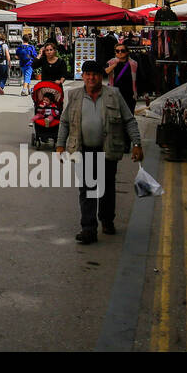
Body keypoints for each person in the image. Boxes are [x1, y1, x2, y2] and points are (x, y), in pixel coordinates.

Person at [56, 60, 143, 243]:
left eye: (95, 74)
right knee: (87, 189)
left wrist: (137, 143)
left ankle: (107, 219)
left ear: (100, 76)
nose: (91, 78)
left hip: (108, 149)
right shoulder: (74, 95)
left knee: (106, 187)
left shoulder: (114, 95)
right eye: (87, 74)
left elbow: (129, 120)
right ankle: (88, 228)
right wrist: (60, 145)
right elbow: (64, 122)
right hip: (83, 149)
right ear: (83, 76)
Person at [106, 41, 138, 113]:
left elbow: (139, 78)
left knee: (129, 115)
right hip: (115, 93)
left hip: (129, 95)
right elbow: (105, 72)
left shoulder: (133, 64)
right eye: (117, 51)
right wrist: (114, 65)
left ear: (127, 52)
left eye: (122, 51)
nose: (120, 52)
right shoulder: (111, 62)